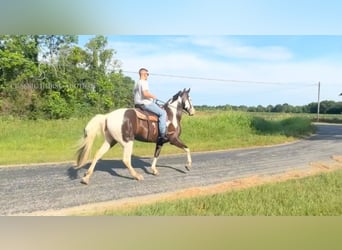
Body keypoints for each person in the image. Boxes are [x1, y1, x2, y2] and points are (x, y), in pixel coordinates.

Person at [133, 68, 168, 144]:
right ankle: (163, 135)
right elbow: (145, 93)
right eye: (147, 74)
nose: (147, 76)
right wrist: (153, 96)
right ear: (143, 74)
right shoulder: (144, 82)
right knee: (163, 113)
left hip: (137, 104)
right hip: (145, 103)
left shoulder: (136, 83)